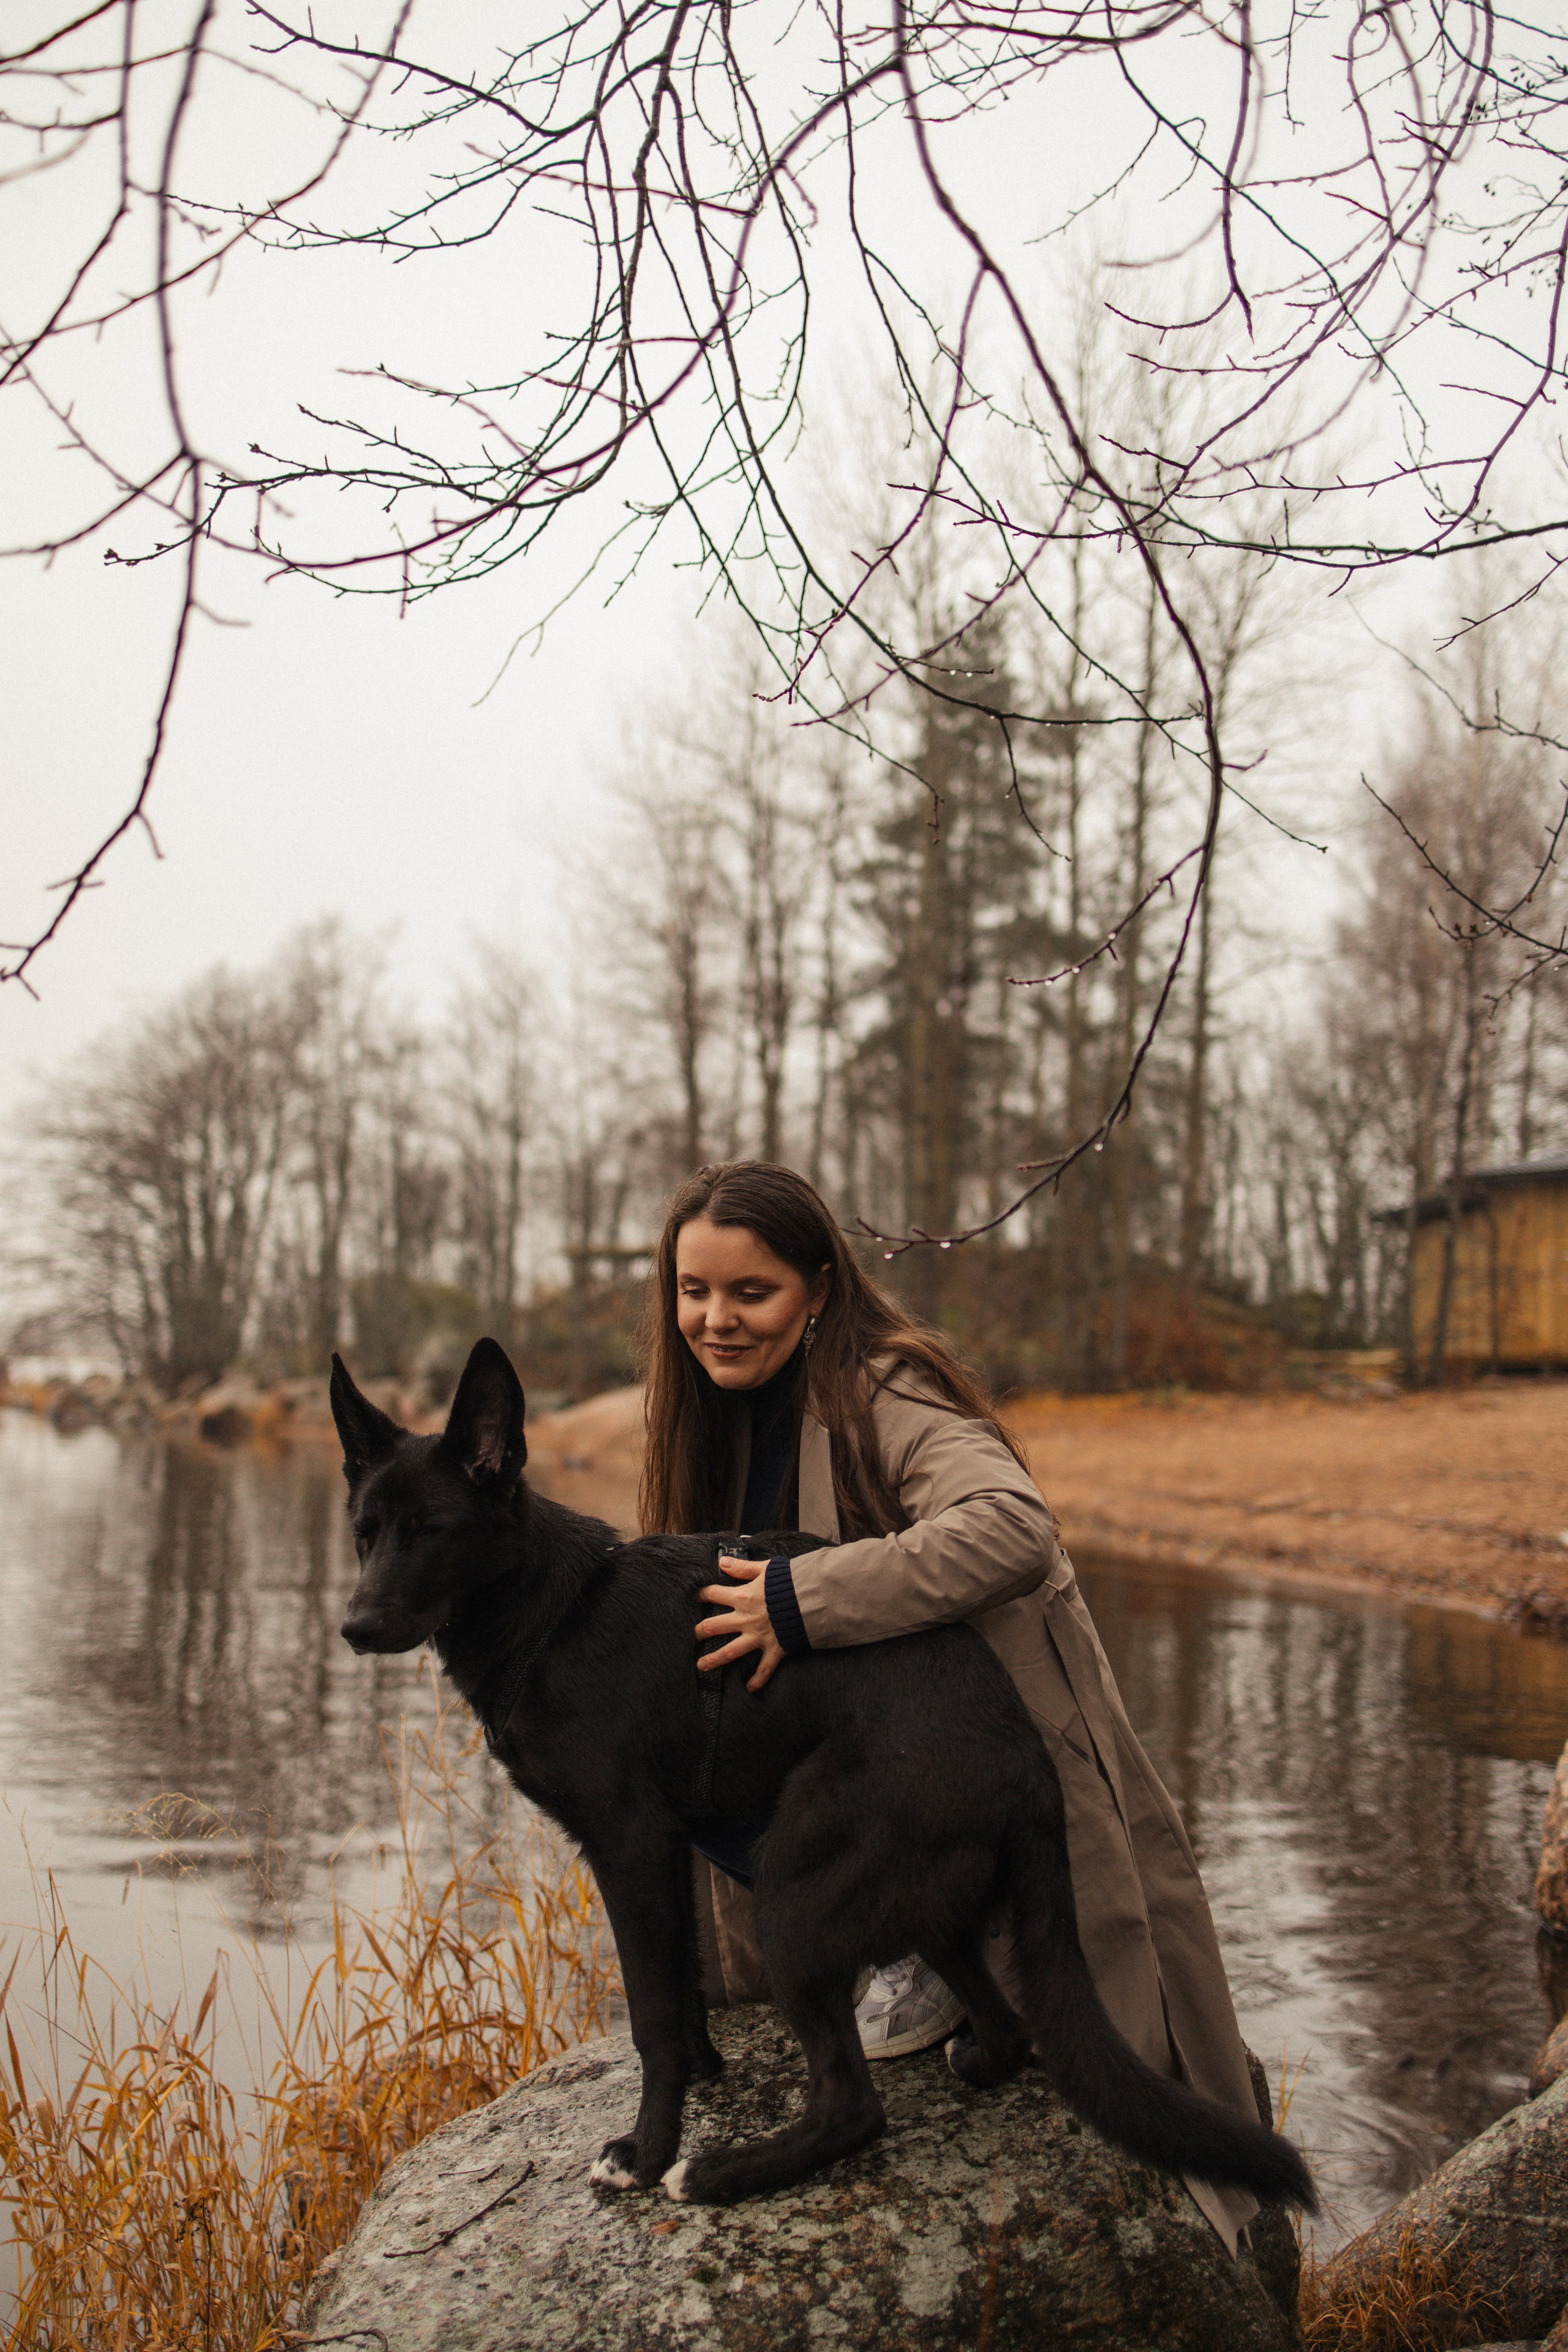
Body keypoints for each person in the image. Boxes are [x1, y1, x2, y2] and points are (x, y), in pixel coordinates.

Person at [639, 1158, 1264, 2252]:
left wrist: (803, 1597)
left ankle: (936, 1953)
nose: (716, 1319)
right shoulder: (705, 1419)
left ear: (820, 1289)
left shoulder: (884, 1386)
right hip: (860, 1758)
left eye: (751, 1293)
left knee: (1120, 2041)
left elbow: (1013, 1527)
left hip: (979, 1759)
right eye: (695, 1292)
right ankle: (891, 1947)